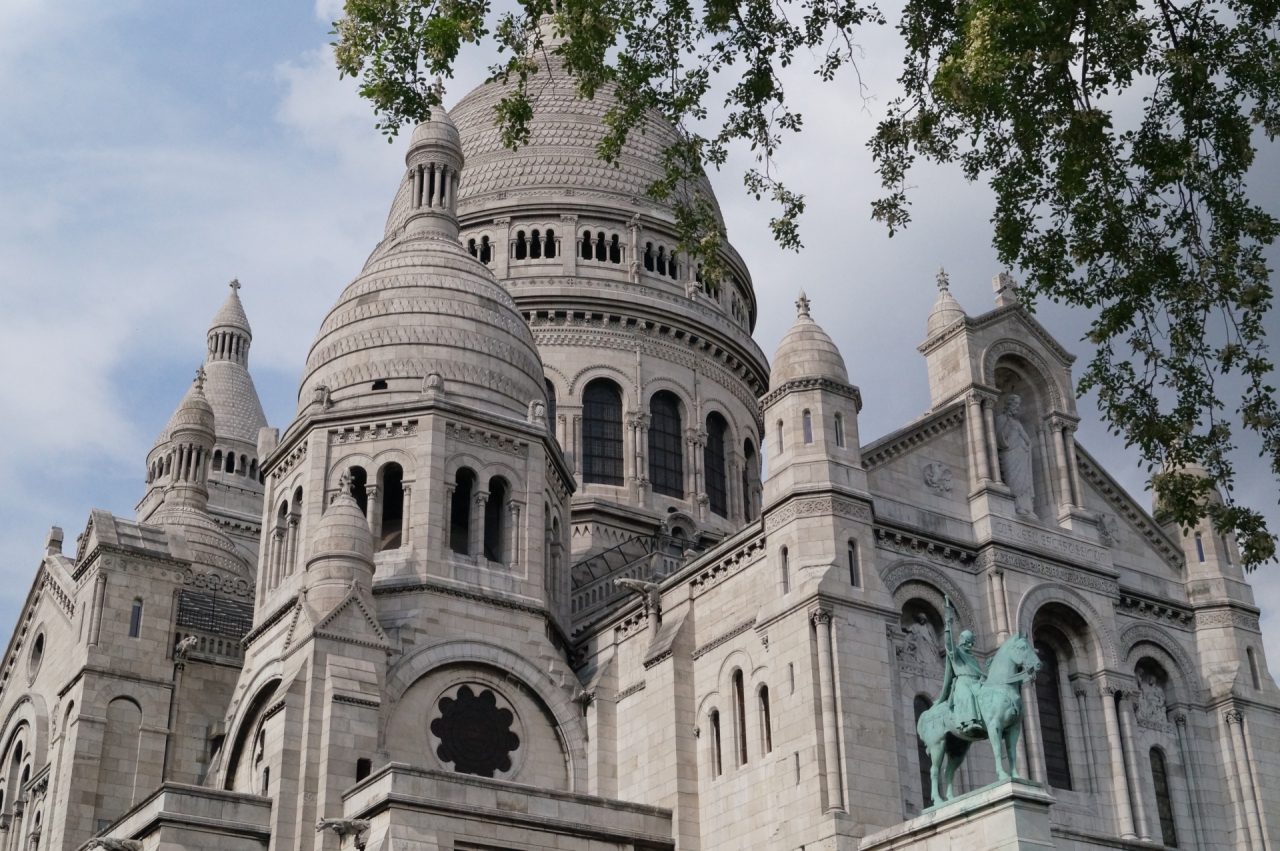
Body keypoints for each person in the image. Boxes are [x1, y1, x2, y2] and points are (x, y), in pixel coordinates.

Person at [940, 596, 987, 736]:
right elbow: (948, 644)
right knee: (967, 695)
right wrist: (948, 625)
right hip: (963, 682)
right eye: (967, 642)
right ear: (961, 641)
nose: (970, 645)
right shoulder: (956, 654)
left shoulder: (972, 658)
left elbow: (979, 672)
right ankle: (969, 723)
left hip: (976, 683)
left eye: (971, 642)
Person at [995, 394, 1037, 517]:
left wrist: (1027, 444)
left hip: (1022, 456)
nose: (1018, 407)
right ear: (1009, 404)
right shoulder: (1001, 419)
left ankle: (1027, 508)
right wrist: (1008, 423)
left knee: (1024, 483)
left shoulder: (1018, 422)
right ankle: (1016, 505)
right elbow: (1000, 439)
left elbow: (1026, 439)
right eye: (1016, 404)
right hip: (1009, 455)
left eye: (1019, 404)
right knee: (1013, 481)